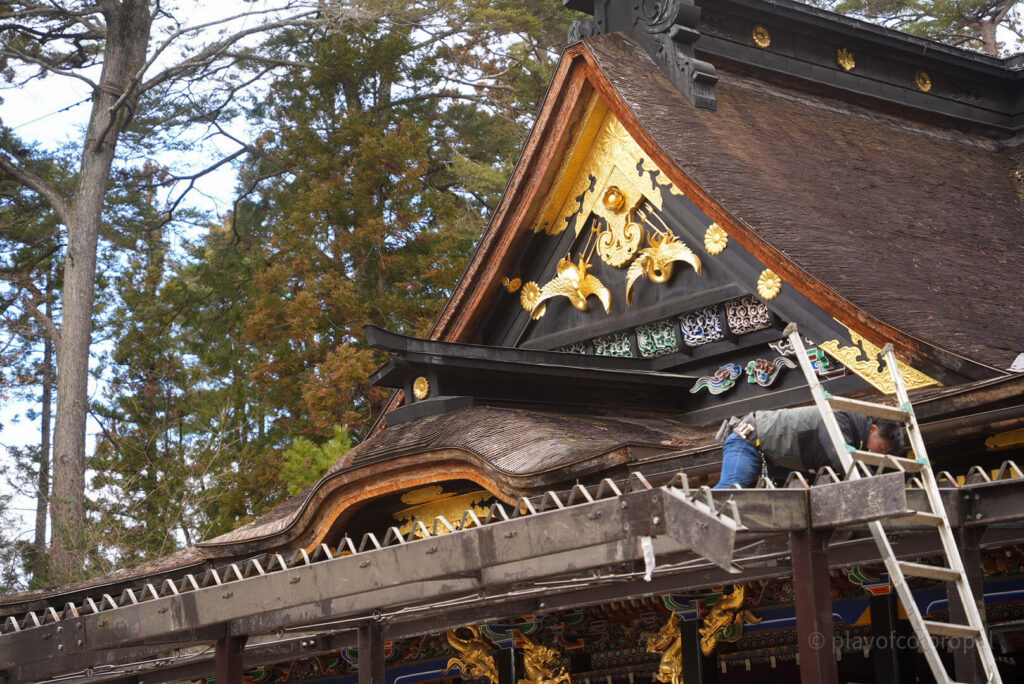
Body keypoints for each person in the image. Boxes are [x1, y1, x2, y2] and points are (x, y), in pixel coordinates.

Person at [713, 406, 908, 489]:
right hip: (748, 442)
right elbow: (840, 454)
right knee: (731, 488)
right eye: (880, 448)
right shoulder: (841, 417)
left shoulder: (858, 440)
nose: (877, 454)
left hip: (776, 459)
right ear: (874, 429)